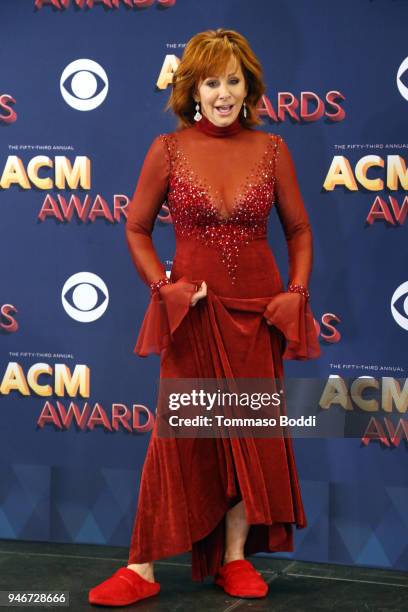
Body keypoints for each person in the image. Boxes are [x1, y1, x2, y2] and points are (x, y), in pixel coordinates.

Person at [89, 27, 321, 607]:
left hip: (257, 316)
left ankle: (235, 560)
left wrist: (296, 291)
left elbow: (299, 230)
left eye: (233, 81)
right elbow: (136, 228)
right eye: (211, 81)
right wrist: (165, 287)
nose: (223, 93)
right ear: (192, 89)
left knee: (248, 436)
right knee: (178, 439)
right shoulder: (167, 150)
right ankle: (140, 567)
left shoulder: (272, 150)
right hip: (193, 318)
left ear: (249, 88)